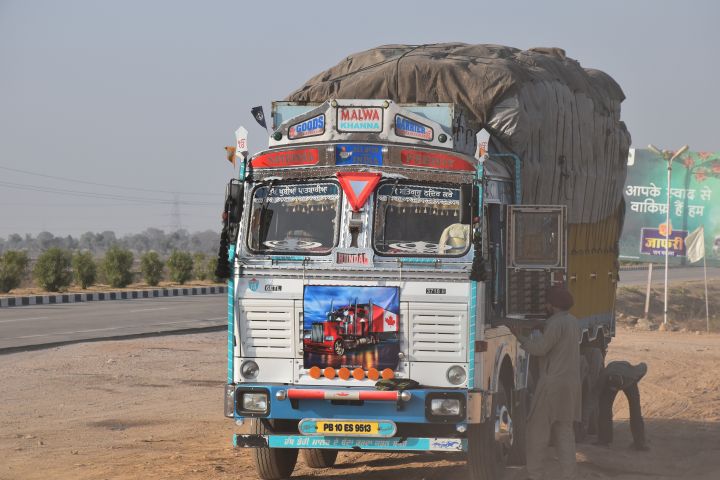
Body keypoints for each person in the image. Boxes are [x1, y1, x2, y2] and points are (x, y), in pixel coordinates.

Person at [510, 285, 581, 480]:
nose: (545, 305)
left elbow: (541, 349)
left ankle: (535, 474)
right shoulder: (573, 321)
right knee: (564, 431)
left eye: (547, 302)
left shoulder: (555, 323)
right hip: (570, 385)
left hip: (552, 384)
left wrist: (520, 336)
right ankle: (569, 475)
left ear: (553, 305)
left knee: (537, 431)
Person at [596, 360, 648, 450]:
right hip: (612, 375)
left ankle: (639, 443)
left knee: (635, 409)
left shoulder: (632, 375)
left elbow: (644, 366)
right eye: (612, 389)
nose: (615, 390)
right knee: (604, 408)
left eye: (616, 389)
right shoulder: (604, 377)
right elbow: (595, 394)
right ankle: (604, 439)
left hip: (629, 380)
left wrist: (636, 380)